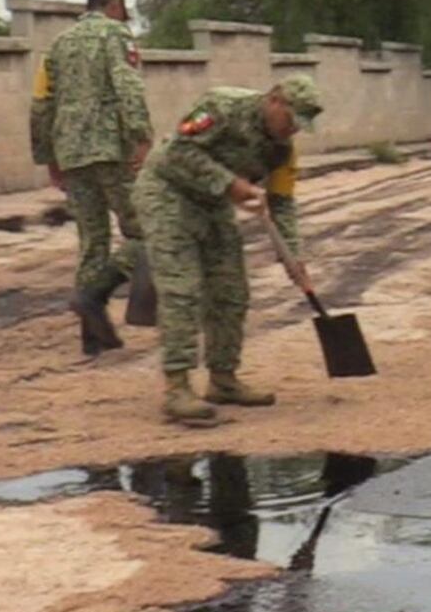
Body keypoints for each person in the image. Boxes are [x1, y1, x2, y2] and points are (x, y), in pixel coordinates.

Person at [132, 74, 321, 424]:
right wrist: (230, 184)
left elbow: (282, 202)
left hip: (213, 203)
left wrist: (293, 257)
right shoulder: (223, 106)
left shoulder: (282, 149)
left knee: (231, 290)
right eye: (290, 119)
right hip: (167, 192)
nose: (292, 129)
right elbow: (179, 151)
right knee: (182, 290)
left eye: (300, 125)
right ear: (274, 100)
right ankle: (177, 389)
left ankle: (223, 380)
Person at [29, 0, 153, 356]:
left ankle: (92, 336)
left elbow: (41, 105)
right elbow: (128, 86)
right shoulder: (116, 35)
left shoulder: (57, 46)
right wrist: (141, 135)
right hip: (112, 150)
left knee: (92, 241)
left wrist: (48, 157)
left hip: (71, 153)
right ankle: (96, 297)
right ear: (113, 4)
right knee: (146, 231)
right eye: (123, 9)